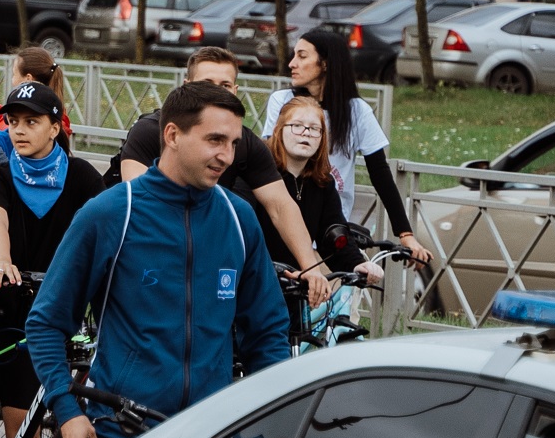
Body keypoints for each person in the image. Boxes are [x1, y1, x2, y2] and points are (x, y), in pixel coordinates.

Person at [28, 78, 291, 438]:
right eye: (214, 140)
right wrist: (67, 409)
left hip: (207, 437)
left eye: (234, 144)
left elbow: (267, 332)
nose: (227, 156)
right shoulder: (111, 213)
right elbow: (46, 322)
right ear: (171, 135)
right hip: (121, 431)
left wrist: (277, 416)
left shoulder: (239, 218)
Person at [111, 45, 340, 306]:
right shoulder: (151, 130)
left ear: (235, 91)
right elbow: (137, 201)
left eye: (224, 85)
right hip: (149, 259)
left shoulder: (246, 143)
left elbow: (280, 204)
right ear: (186, 86)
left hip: (210, 260)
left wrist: (309, 266)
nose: (215, 93)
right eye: (206, 83)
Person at [0, 80, 105, 438]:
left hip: (44, 304)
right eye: (12, 122)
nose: (18, 130)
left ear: (55, 127)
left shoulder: (82, 176)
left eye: (31, 122)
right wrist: (3, 260)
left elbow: (102, 233)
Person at [262, 25, 432, 273]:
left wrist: (405, 234)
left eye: (302, 56)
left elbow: (380, 173)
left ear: (326, 64)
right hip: (284, 229)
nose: (291, 64)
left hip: (333, 231)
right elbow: (268, 163)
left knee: (343, 302)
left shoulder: (356, 111)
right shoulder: (282, 101)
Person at [264, 96, 374, 344]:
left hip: (295, 286)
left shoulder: (322, 182)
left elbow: (332, 233)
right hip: (257, 281)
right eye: (297, 126)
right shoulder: (260, 175)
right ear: (279, 130)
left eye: (315, 129)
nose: (306, 133)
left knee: (291, 355)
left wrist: (357, 264)